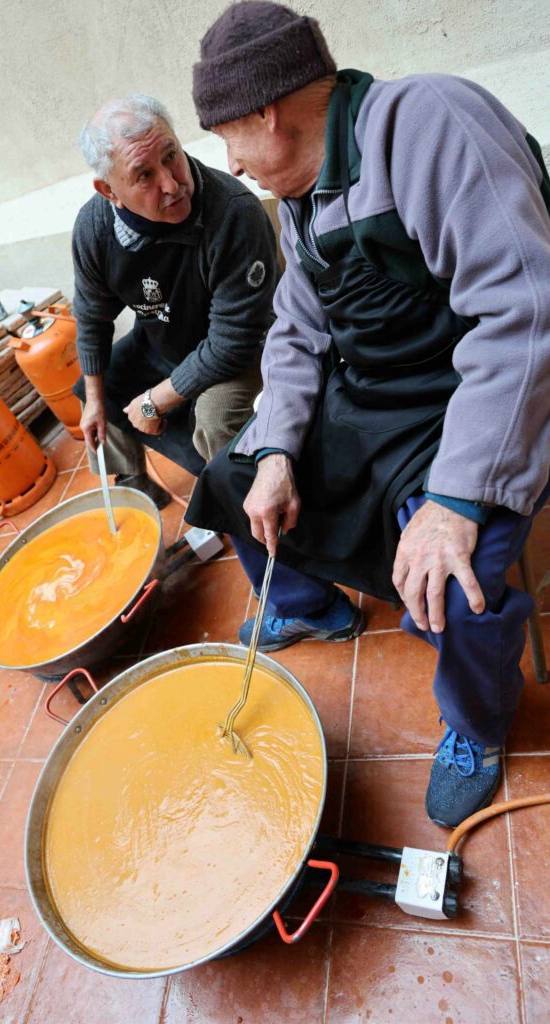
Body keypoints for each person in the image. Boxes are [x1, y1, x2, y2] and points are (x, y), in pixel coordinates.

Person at [186, 1, 550, 826]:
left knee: (453, 582)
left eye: (227, 139)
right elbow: (296, 328)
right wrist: (276, 450)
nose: (230, 165)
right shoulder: (300, 192)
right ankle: (312, 605)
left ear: (265, 113)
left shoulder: (426, 122)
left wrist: (454, 499)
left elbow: (525, 311)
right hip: (378, 395)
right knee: (233, 474)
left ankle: (476, 725)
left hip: (482, 394)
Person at [71, 94, 277, 505]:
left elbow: (232, 342)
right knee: (96, 387)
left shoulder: (233, 213)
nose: (171, 184)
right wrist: (94, 401)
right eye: (144, 175)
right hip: (164, 338)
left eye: (171, 156)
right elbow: (92, 316)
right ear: (109, 191)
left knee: (215, 418)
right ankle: (134, 481)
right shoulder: (94, 228)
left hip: (246, 348)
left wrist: (154, 402)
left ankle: (242, 502)